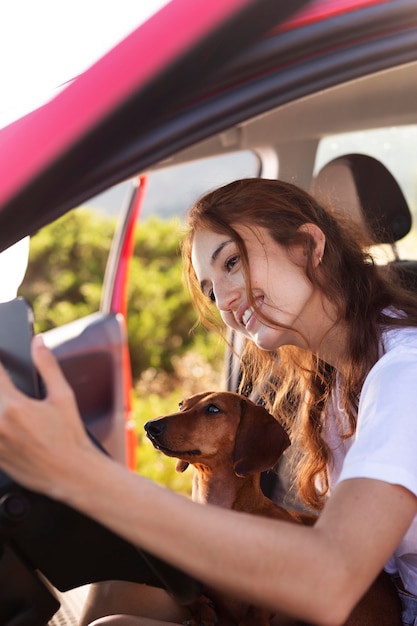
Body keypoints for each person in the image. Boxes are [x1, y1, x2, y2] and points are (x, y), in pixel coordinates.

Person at [0, 177, 417, 626]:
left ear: (307, 246)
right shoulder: (338, 381)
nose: (227, 301)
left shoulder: (403, 375)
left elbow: (332, 579)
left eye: (233, 261)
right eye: (212, 289)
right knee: (112, 604)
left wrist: (80, 474)